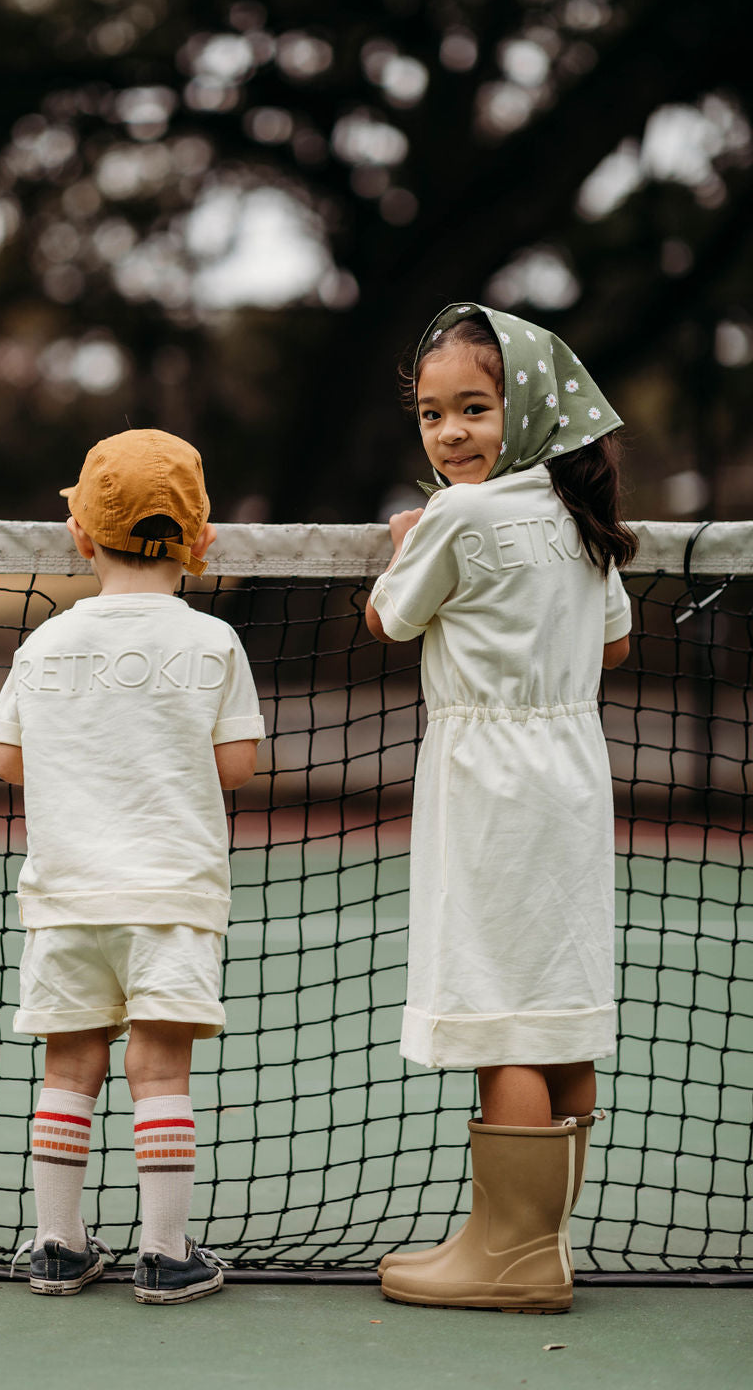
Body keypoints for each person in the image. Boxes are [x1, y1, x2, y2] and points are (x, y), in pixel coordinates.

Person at [364, 303, 636, 1314]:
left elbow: (390, 618)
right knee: (556, 1010)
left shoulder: (458, 517)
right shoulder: (577, 519)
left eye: (472, 408)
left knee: (501, 1015)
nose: (449, 435)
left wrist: (406, 543)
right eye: (432, 416)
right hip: (571, 773)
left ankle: (510, 1258)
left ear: (526, 409)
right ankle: (535, 1243)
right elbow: (610, 646)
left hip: (487, 784)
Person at [0, 429, 264, 1304]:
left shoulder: (43, 645)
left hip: (65, 902)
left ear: (80, 534)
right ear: (201, 540)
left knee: (67, 1070)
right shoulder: (214, 641)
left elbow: (6, 760)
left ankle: (58, 1247)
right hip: (172, 903)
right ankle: (165, 1253)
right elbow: (237, 765)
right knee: (160, 1072)